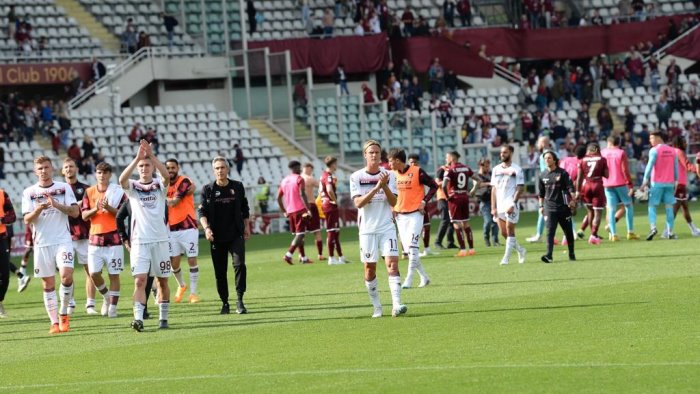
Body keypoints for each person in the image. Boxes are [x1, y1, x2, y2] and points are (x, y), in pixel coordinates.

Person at [22, 156, 80, 334]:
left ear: (52, 168)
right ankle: (55, 323)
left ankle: (64, 313)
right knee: (48, 284)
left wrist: (56, 205)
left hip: (62, 240)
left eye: (46, 167)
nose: (43, 171)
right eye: (40, 168)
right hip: (42, 243)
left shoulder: (63, 188)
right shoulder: (29, 192)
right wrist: (38, 210)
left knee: (66, 276)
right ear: (35, 171)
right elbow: (27, 220)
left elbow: (75, 212)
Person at [119, 140, 171, 331]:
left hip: (160, 240)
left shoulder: (159, 185)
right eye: (141, 166)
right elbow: (121, 180)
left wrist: (151, 156)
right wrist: (137, 158)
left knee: (163, 280)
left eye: (147, 165)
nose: (144, 168)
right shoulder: (132, 187)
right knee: (140, 280)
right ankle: (138, 318)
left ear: (152, 167)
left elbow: (166, 176)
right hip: (140, 241)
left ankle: (163, 318)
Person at [351, 140, 406, 318]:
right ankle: (377, 307)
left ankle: (397, 304)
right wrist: (376, 188)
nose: (374, 155)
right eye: (371, 152)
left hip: (386, 226)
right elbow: (359, 203)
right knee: (370, 268)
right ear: (365, 155)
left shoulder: (389, 174)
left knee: (392, 263)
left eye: (377, 152)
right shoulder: (357, 177)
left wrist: (385, 187)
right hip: (367, 229)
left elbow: (394, 202)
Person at [198, 156, 250, 314]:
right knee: (220, 272)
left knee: (239, 265)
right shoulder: (208, 189)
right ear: (213, 171)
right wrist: (206, 228)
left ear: (228, 169)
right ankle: (225, 302)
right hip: (216, 237)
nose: (220, 171)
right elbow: (202, 211)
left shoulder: (238, 186)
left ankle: (240, 300)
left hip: (235, 234)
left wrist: (246, 227)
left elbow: (245, 208)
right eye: (217, 168)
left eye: (222, 167)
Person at [81, 162, 127, 318]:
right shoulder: (89, 192)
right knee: (93, 273)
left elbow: (123, 213)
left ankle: (113, 308)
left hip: (114, 238)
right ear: (96, 174)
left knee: (114, 275)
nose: (102, 175)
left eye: (105, 173)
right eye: (99, 172)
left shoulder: (118, 192)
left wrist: (109, 208)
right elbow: (84, 215)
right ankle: (107, 297)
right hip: (95, 239)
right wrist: (97, 208)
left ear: (110, 175)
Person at [389, 149, 436, 289]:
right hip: (400, 216)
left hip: (416, 214)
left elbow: (434, 186)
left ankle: (409, 278)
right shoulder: (392, 175)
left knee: (413, 247)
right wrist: (393, 208)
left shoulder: (417, 171)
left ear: (397, 161)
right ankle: (424, 277)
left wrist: (424, 201)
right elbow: (392, 194)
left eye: (390, 161)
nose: (389, 164)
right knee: (409, 251)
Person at [62, 158, 97, 314]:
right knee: (66, 271)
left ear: (76, 168)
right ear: (62, 171)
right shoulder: (58, 190)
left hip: (84, 235)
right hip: (65, 236)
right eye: (66, 167)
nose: (69, 169)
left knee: (90, 270)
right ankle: (70, 303)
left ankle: (90, 304)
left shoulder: (87, 189)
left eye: (71, 166)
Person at [165, 159, 200, 303]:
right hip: (171, 228)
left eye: (173, 167)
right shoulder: (163, 184)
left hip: (188, 226)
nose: (171, 170)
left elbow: (175, 201)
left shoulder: (184, 181)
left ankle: (193, 293)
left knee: (191, 259)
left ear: (178, 168)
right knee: (174, 262)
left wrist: (158, 198)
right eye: (168, 168)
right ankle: (182, 286)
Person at [115, 200, 155, 320]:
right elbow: (119, 217)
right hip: (137, 244)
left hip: (155, 243)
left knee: (149, 277)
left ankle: (143, 310)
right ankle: (140, 312)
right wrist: (125, 239)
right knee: (141, 279)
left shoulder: (155, 198)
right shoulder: (131, 201)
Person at [538, 151, 577, 263]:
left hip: (563, 208)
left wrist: (573, 199)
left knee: (568, 232)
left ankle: (571, 253)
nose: (547, 160)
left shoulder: (563, 173)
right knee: (550, 232)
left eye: (549, 158)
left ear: (554, 160)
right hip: (549, 208)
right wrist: (541, 206)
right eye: (545, 158)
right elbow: (541, 194)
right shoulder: (542, 175)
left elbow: (570, 188)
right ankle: (549, 256)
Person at [491, 145, 527, 265]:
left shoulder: (517, 169)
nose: (502, 154)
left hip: (510, 203)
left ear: (511, 153)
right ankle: (521, 250)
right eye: (501, 153)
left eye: (505, 152)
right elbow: (494, 189)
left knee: (509, 230)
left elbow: (520, 188)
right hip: (500, 205)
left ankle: (505, 258)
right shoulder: (495, 169)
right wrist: (493, 207)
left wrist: (513, 203)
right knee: (503, 233)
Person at [641, 132, 678, 241]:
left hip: (656, 183)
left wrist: (644, 181)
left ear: (658, 138)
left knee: (652, 206)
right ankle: (670, 232)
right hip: (670, 183)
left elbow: (649, 165)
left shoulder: (654, 150)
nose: (650, 140)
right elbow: (675, 167)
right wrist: (676, 181)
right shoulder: (672, 150)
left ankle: (653, 228)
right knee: (669, 207)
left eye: (651, 138)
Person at [601, 136, 638, 241]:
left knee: (611, 209)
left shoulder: (602, 153)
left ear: (609, 142)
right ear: (619, 143)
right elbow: (625, 170)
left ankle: (613, 234)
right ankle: (630, 232)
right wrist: (630, 185)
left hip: (607, 184)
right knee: (628, 205)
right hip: (620, 183)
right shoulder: (620, 152)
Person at [442, 151, 476, 257]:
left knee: (456, 224)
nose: (446, 159)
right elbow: (478, 180)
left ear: (452, 158)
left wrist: (447, 197)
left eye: (447, 157)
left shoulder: (450, 170)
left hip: (455, 198)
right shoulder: (466, 168)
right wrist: (472, 191)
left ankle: (462, 250)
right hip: (464, 197)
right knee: (466, 223)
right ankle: (471, 249)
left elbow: (443, 186)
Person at [278, 161, 313, 264]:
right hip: (300, 210)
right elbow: (302, 193)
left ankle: (303, 257)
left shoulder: (284, 181)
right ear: (297, 168)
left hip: (290, 211)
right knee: (301, 234)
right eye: (300, 167)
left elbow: (278, 197)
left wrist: (284, 210)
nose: (301, 169)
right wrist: (308, 209)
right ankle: (288, 254)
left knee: (300, 234)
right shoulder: (299, 178)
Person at [576, 143, 608, 245]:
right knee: (598, 212)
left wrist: (577, 191)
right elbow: (607, 175)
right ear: (597, 149)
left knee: (590, 212)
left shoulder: (582, 160)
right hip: (597, 184)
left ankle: (592, 234)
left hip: (586, 185)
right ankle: (594, 235)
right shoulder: (602, 159)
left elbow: (579, 178)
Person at [408, 154, 437, 256]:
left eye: (415, 162)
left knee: (427, 226)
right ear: (408, 163)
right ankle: (410, 251)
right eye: (411, 162)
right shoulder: (406, 175)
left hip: (422, 203)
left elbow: (432, 185)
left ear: (418, 163)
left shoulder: (420, 173)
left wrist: (424, 200)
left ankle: (427, 249)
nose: (413, 164)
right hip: (411, 206)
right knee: (414, 229)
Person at [671, 136, 700, 236]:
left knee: (684, 206)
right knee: (676, 207)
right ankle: (667, 231)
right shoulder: (679, 152)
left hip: (676, 182)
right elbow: (687, 165)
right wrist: (697, 169)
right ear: (679, 143)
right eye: (684, 142)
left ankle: (693, 230)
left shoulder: (672, 151)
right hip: (680, 183)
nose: (686, 144)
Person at [320, 156, 346, 265]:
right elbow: (329, 190)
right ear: (332, 164)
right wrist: (335, 200)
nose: (337, 165)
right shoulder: (328, 176)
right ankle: (331, 258)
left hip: (326, 204)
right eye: (336, 163)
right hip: (330, 205)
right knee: (331, 231)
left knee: (335, 231)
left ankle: (341, 257)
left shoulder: (323, 175)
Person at [527, 136, 553, 243]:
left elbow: (545, 172)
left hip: (547, 185)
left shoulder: (544, 156)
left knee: (542, 210)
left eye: (538, 142)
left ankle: (539, 235)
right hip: (554, 184)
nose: (537, 145)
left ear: (542, 143)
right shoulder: (553, 153)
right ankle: (572, 232)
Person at [471, 157, 500, 247]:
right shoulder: (476, 175)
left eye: (488, 166)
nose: (488, 168)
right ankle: (486, 238)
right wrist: (489, 183)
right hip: (484, 202)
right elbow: (477, 185)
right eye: (486, 166)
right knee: (488, 222)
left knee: (495, 222)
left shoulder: (491, 174)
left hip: (494, 201)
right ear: (481, 165)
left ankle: (495, 241)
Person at [300, 163, 325, 262]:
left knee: (301, 233)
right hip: (310, 204)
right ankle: (320, 254)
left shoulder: (297, 179)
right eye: (310, 169)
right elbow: (322, 187)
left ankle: (301, 255)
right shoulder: (310, 179)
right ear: (308, 169)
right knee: (316, 231)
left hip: (300, 207)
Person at [0, 187, 17, 318]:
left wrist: (2, 220)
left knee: (5, 275)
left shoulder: (2, 194)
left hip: (1, 238)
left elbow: (12, 215)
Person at [434, 162, 455, 249]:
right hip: (442, 198)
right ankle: (437, 242)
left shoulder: (453, 170)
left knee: (451, 220)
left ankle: (450, 242)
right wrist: (447, 179)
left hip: (450, 198)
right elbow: (437, 183)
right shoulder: (442, 169)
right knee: (445, 219)